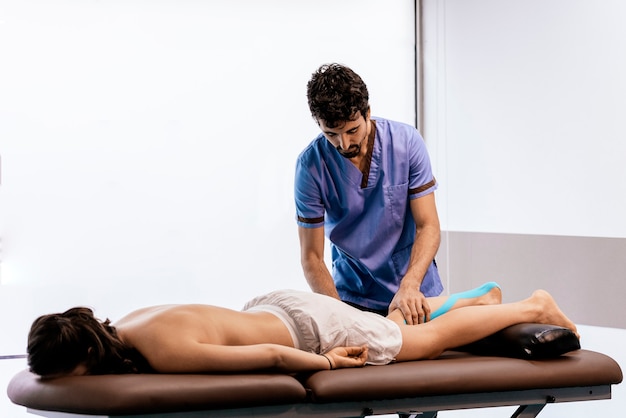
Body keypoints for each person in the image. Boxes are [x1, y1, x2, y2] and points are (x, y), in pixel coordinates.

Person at [26, 282, 579, 378]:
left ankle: (534, 304)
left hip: (303, 330)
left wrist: (328, 365)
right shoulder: (125, 323)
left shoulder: (161, 350)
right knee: (387, 326)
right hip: (274, 305)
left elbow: (270, 358)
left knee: (425, 345)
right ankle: (476, 300)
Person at [295, 63, 442, 324]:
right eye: (331, 134)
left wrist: (410, 285)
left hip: (415, 290)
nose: (344, 144)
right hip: (354, 297)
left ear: (368, 113)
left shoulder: (406, 143)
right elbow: (311, 257)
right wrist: (338, 317)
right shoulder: (311, 166)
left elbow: (428, 225)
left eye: (352, 130)